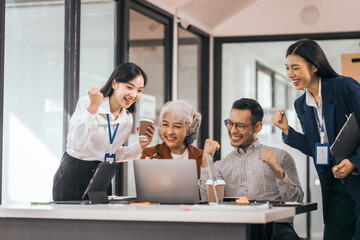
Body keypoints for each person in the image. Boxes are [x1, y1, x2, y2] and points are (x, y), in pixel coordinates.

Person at [271, 39, 360, 240]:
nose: (290, 74)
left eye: (295, 67)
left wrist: (354, 162)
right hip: (337, 183)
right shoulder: (302, 104)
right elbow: (316, 147)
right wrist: (287, 130)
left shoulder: (343, 87)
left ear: (314, 66)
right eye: (287, 68)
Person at [199, 98, 303, 240]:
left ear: (258, 127)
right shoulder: (220, 165)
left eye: (240, 125)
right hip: (237, 227)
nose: (233, 130)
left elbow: (296, 201)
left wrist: (278, 171)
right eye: (229, 123)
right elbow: (208, 201)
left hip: (276, 227)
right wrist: (206, 161)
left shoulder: (281, 157)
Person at [53, 63, 155, 201]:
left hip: (102, 177)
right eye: (129, 87)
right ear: (114, 83)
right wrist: (93, 109)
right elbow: (77, 146)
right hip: (74, 175)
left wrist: (140, 146)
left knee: (102, 221)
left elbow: (113, 153)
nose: (134, 94)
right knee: (70, 222)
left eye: (139, 90)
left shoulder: (127, 119)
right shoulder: (87, 103)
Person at [141, 100, 203, 178]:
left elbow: (206, 188)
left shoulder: (202, 156)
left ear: (190, 129)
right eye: (165, 125)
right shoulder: (150, 153)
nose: (170, 132)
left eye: (177, 126)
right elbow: (144, 188)